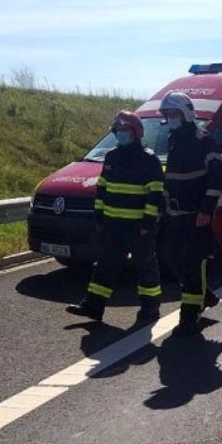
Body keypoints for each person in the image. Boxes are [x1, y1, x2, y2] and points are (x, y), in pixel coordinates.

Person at [67, 110, 165, 323]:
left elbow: (155, 192)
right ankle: (93, 306)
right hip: (113, 226)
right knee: (104, 266)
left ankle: (150, 309)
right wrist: (99, 216)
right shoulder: (112, 156)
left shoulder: (149, 159)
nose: (121, 134)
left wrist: (148, 222)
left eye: (125, 130)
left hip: (139, 227)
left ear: (136, 132)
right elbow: (102, 188)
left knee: (145, 268)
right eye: (117, 130)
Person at [159, 91, 222, 336]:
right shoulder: (173, 138)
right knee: (171, 256)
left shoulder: (202, 138)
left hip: (196, 213)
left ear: (186, 113)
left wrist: (206, 209)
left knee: (192, 264)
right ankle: (205, 295)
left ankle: (189, 315)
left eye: (174, 113)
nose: (171, 118)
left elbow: (217, 174)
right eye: (167, 114)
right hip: (174, 213)